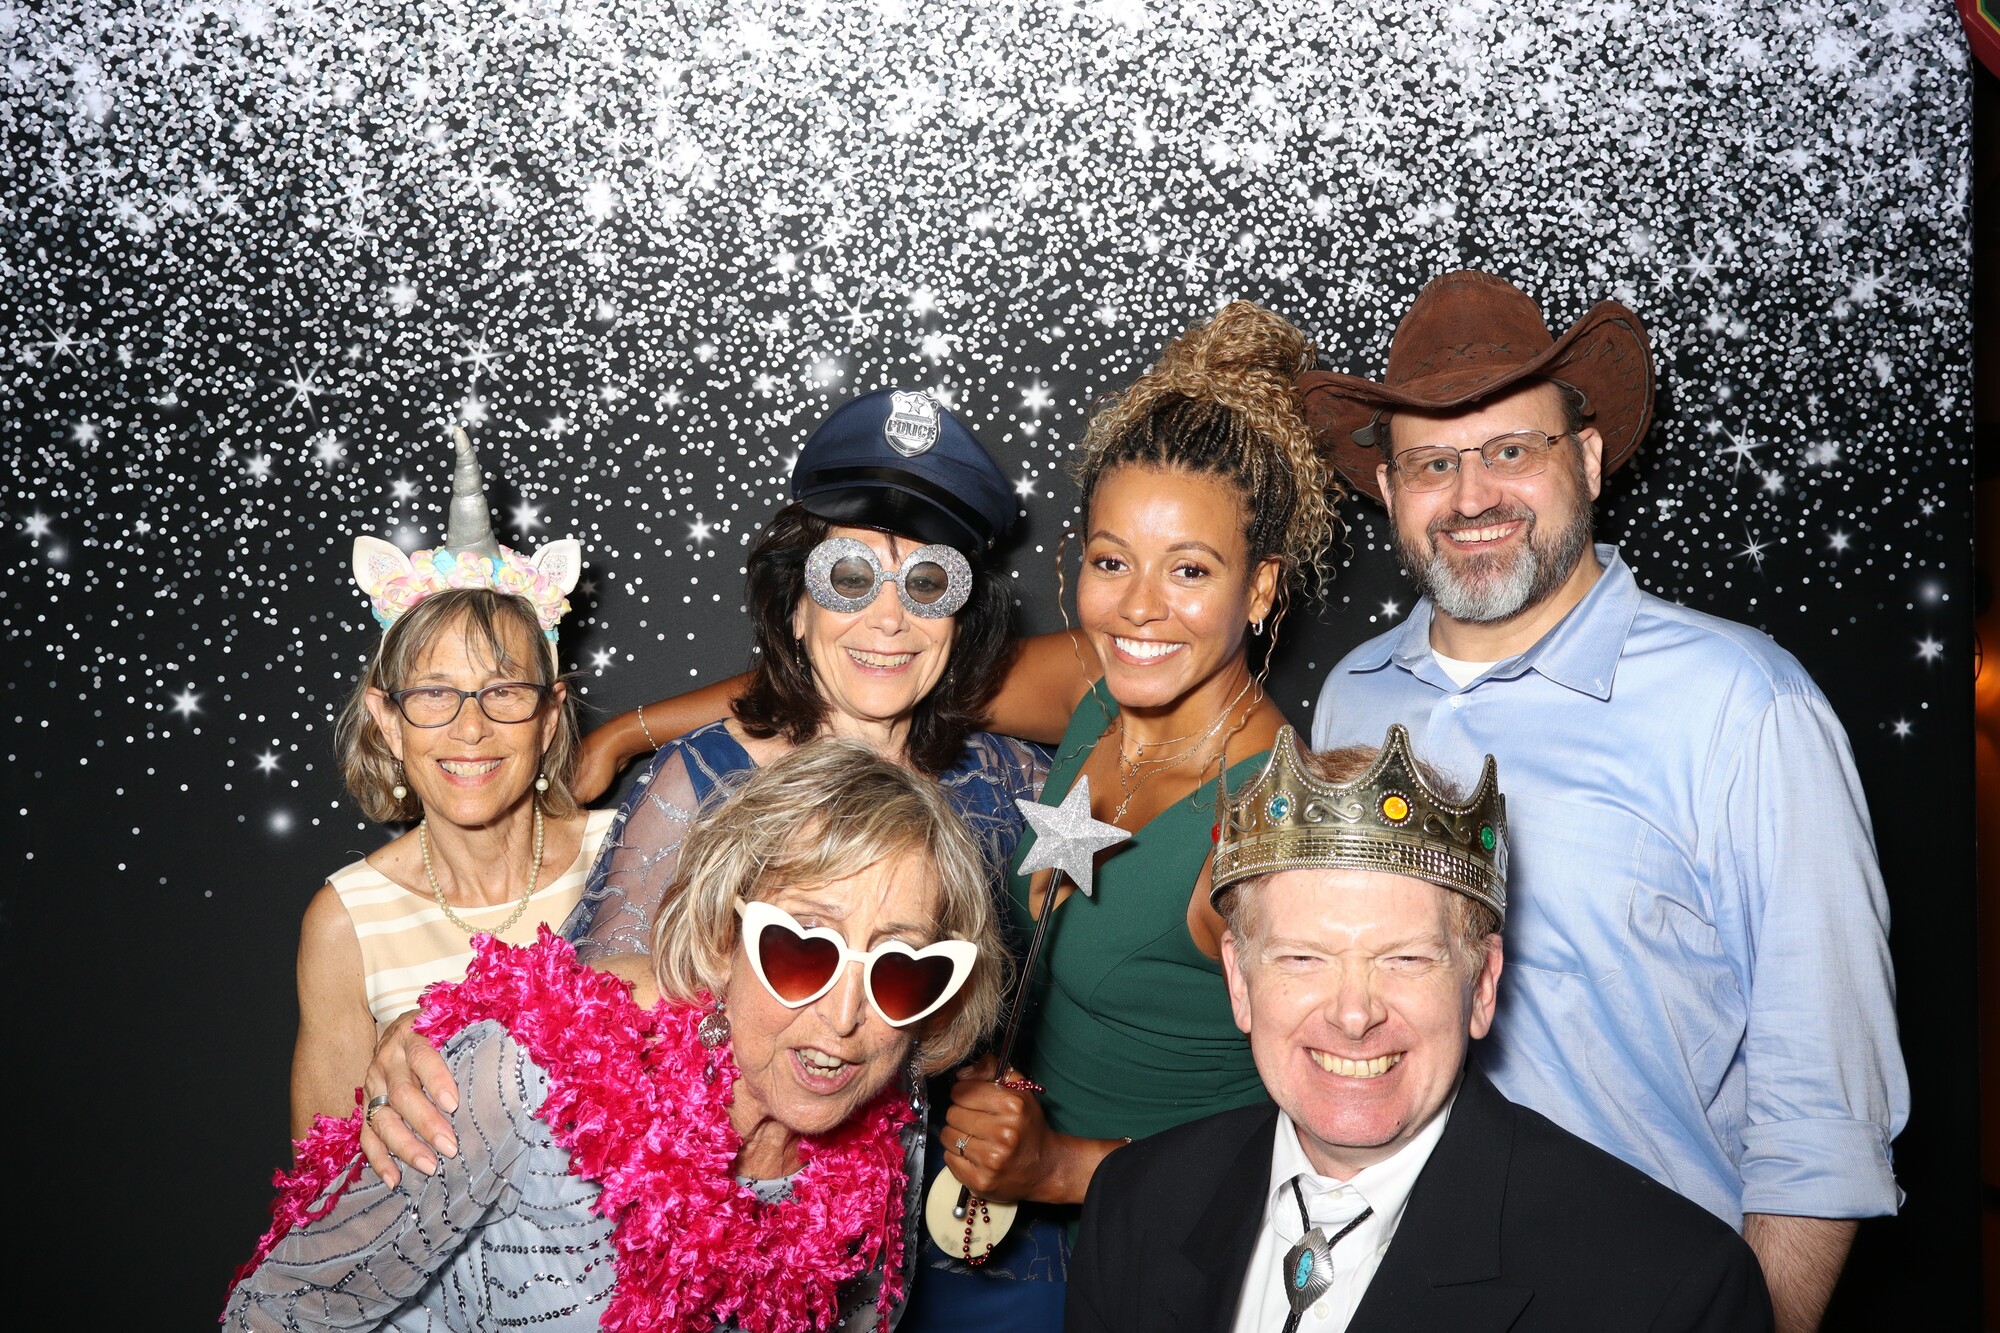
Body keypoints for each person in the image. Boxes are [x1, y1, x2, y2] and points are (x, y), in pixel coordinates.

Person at [570, 302, 1347, 1326]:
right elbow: (861, 663)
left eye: (1191, 569)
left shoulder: (1254, 816)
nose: (1140, 606)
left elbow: (1337, 1120)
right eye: (1111, 561)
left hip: (1137, 1250)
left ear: (1260, 588)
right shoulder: (1099, 686)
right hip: (871, 1228)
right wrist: (634, 732)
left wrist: (1064, 1165)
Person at [1297, 269, 1907, 1333]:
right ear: (1389, 490)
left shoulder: (1742, 703)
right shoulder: (1355, 695)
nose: (1471, 496)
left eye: (1510, 451)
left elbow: (1825, 1104)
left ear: (1582, 460)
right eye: (1433, 462)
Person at [224, 739, 1009, 1331]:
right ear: (721, 939)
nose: (844, 1018)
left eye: (901, 970)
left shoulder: (879, 1150)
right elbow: (276, 1311)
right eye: (802, 949)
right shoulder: (524, 1077)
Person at [1067, 725, 1774, 1333]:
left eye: (1405, 959)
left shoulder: (1667, 1288)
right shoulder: (1134, 1204)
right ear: (1239, 981)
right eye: (1303, 958)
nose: (1353, 1015)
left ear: (1482, 984)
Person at [290, 427, 613, 1140]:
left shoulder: (632, 856)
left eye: (504, 691)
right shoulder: (346, 922)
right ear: (388, 720)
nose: (470, 728)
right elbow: (323, 1188)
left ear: (550, 716)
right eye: (434, 693)